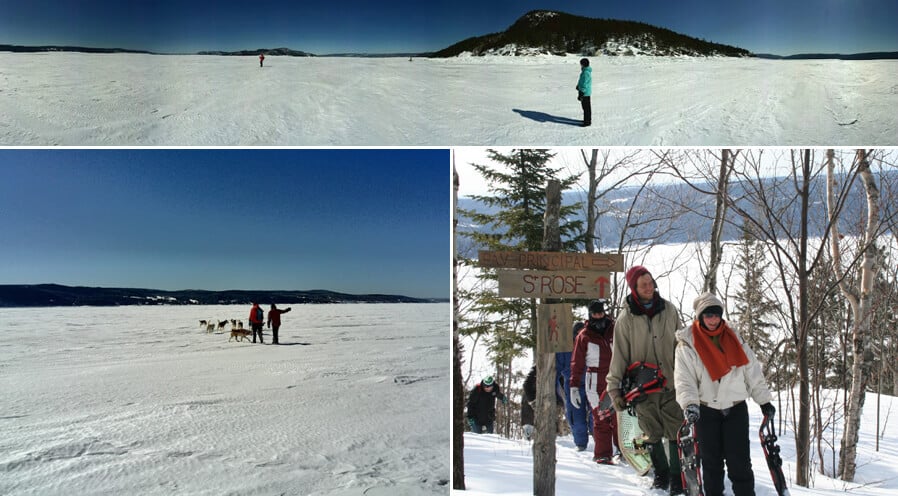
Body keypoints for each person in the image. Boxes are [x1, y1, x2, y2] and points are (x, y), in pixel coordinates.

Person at [675, 292, 775, 496]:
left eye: (716, 315)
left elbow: (752, 371)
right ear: (700, 317)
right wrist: (690, 404)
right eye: (708, 315)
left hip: (736, 407)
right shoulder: (687, 344)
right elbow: (685, 380)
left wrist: (764, 401)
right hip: (706, 410)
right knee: (712, 465)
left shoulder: (734, 337)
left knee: (740, 463)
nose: (712, 320)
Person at [606, 265, 685, 495]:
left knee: (676, 430)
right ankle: (661, 474)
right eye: (644, 285)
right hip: (643, 387)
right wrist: (614, 390)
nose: (649, 287)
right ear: (634, 289)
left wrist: (690, 377)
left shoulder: (669, 310)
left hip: (671, 383)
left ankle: (677, 476)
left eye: (651, 282)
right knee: (652, 432)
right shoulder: (626, 319)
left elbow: (681, 347)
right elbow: (619, 355)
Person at [570, 299, 619, 464]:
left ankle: (626, 451)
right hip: (595, 380)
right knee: (601, 417)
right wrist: (574, 386)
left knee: (621, 416)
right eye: (595, 313)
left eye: (601, 312)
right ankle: (603, 454)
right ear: (590, 315)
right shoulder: (584, 336)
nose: (599, 316)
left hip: (616, 376)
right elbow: (577, 363)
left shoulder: (614, 329)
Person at [557, 324, 592, 451]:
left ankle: (597, 436)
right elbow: (557, 366)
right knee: (575, 414)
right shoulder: (566, 347)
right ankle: (580, 443)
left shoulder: (591, 342)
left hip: (592, 380)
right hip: (571, 383)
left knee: (597, 412)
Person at [520, 364, 565, 440]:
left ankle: (556, 434)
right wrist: (532, 401)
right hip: (536, 398)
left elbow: (563, 388)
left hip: (554, 399)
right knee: (527, 403)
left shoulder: (561, 368)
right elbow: (526, 385)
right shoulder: (538, 367)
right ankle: (529, 433)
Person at [576, 57, 592, 127]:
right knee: (586, 108)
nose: (580, 65)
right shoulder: (585, 71)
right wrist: (578, 86)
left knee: (586, 108)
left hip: (585, 93)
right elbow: (582, 82)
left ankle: (587, 122)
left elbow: (584, 83)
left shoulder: (585, 73)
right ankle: (587, 120)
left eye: (581, 64)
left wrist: (581, 93)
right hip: (585, 92)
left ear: (583, 64)